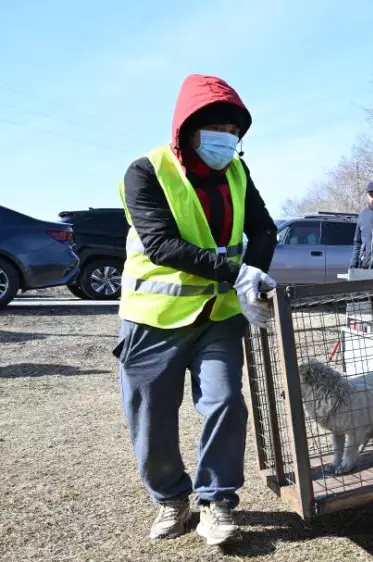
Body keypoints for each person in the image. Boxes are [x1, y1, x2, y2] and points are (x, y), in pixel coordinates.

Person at [114, 74, 278, 546]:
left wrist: (253, 275)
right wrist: (235, 272)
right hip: (153, 319)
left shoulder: (238, 173)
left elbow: (265, 231)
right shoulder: (146, 171)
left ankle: (218, 500)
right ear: (186, 129)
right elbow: (162, 244)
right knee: (151, 415)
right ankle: (171, 499)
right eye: (214, 127)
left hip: (219, 316)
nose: (225, 138)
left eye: (233, 129)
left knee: (226, 402)